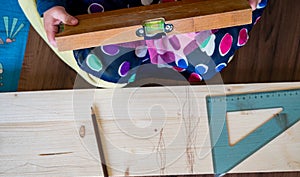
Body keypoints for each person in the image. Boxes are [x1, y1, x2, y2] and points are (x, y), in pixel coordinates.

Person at [37, 0, 268, 84]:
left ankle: (169, 57)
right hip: (114, 10)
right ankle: (155, 58)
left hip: (185, 7)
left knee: (211, 56)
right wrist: (50, 6)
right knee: (100, 60)